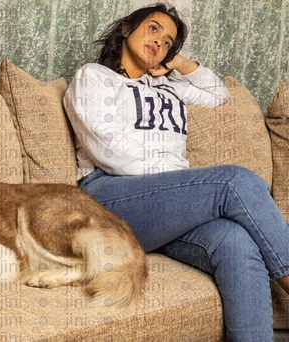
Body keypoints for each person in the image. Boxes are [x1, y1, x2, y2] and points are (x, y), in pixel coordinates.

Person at [63, 3, 289, 341]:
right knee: (234, 181)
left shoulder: (169, 86)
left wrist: (179, 64)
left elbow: (218, 94)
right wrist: (181, 183)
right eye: (153, 29)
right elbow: (108, 149)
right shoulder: (94, 77)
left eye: (168, 42)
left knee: (235, 240)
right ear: (127, 29)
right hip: (109, 197)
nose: (159, 42)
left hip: (165, 206)